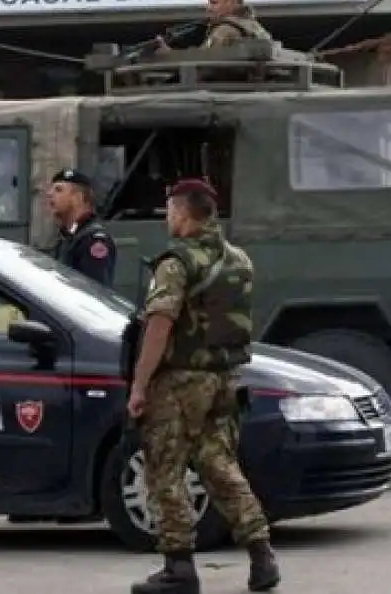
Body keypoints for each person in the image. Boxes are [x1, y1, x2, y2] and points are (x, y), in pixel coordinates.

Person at [126, 178, 280, 594]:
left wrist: (139, 385)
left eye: (170, 209)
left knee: (164, 469)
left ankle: (179, 568)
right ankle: (261, 554)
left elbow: (160, 324)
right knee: (220, 465)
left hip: (180, 382)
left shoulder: (176, 262)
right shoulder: (239, 260)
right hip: (224, 379)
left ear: (183, 211)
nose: (167, 217)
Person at [156, 0, 272, 52]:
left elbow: (202, 62)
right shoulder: (254, 28)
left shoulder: (225, 30)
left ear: (232, 2)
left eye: (214, 3)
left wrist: (168, 53)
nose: (208, 8)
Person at [47, 167, 117, 286]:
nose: (49, 194)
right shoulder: (67, 236)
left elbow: (95, 290)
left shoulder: (93, 240)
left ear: (77, 197)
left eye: (58, 190)